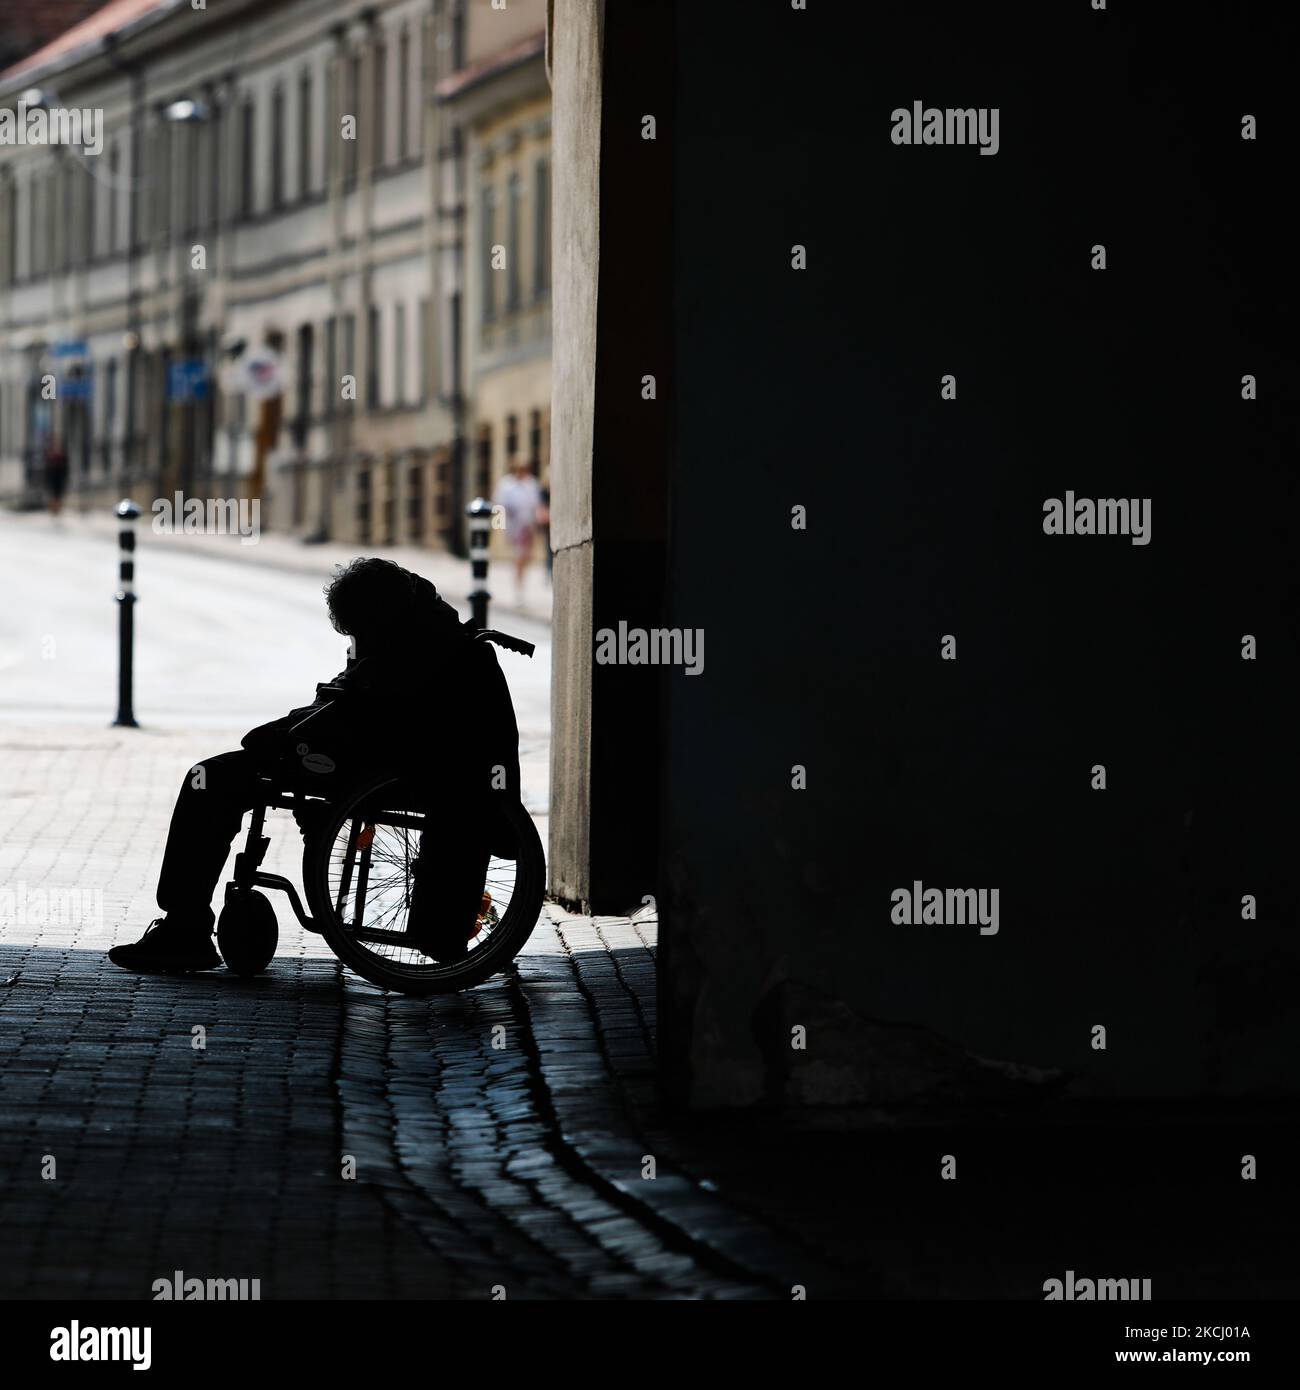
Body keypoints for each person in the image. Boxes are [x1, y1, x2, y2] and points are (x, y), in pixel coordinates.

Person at [107, 558, 520, 975]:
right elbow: (356, 704)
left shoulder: (420, 647)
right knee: (221, 776)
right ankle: (187, 925)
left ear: (373, 612)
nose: (355, 638)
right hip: (380, 763)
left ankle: (184, 928)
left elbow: (360, 712)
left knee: (208, 782)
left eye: (357, 628)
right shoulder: (424, 632)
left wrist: (282, 736)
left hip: (389, 770)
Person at [492, 458, 542, 603]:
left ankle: (520, 582)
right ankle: (519, 588)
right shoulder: (506, 485)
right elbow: (499, 506)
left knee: (526, 557)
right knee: (520, 557)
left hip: (528, 526)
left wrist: (536, 525)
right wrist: (499, 527)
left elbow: (536, 505)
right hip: (514, 526)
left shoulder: (531, 483)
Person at [44, 435, 68, 517]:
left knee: (58, 494)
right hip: (53, 478)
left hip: (59, 478)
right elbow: (47, 468)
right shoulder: (50, 454)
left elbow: (65, 467)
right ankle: (54, 510)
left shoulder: (62, 454)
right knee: (53, 493)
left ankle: (57, 509)